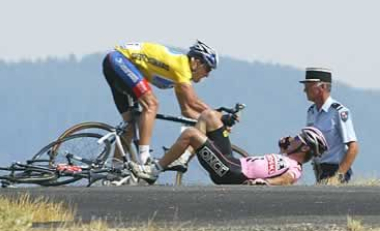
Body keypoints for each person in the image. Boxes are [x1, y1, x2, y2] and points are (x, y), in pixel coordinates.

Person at [128, 109, 328, 186]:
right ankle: (183, 158)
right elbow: (276, 163)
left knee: (190, 134)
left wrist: (265, 183)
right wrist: (284, 148)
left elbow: (285, 180)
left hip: (231, 173)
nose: (293, 138)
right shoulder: (288, 156)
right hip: (231, 161)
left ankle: (154, 171)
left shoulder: (295, 169)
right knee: (208, 116)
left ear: (304, 148)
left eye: (298, 139)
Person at [102, 40, 218, 165]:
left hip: (115, 63)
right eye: (207, 68)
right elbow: (193, 102)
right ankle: (144, 157)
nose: (207, 75)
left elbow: (187, 110)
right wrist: (217, 117)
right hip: (119, 60)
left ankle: (114, 169)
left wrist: (207, 122)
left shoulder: (180, 77)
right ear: (196, 62)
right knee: (152, 104)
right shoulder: (182, 67)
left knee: (130, 125)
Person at [299, 67, 359, 185]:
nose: (305, 90)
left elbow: (353, 148)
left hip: (335, 169)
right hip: (318, 170)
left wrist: (338, 176)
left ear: (322, 87)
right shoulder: (311, 112)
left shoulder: (338, 112)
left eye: (309, 85)